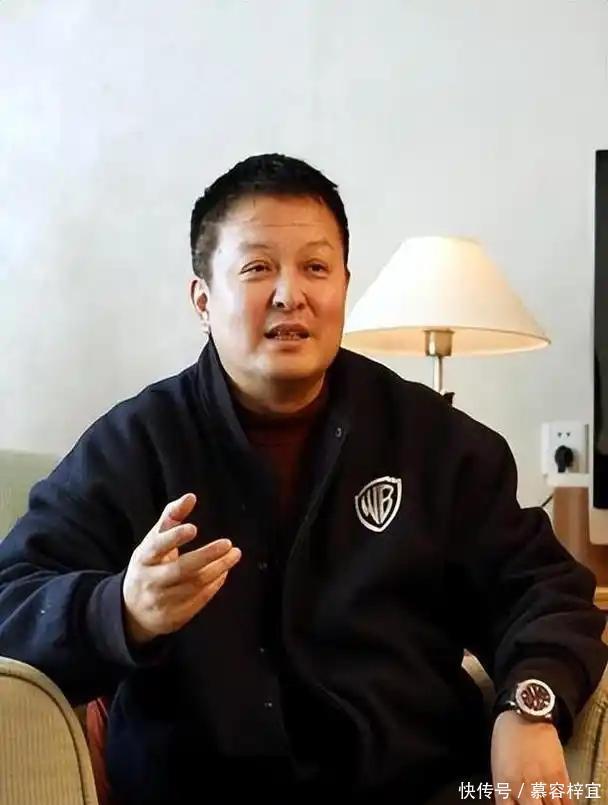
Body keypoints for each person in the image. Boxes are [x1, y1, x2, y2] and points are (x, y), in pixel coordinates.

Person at [0, 153, 606, 805]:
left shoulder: (435, 442)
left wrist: (530, 705)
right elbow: (12, 599)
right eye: (258, 268)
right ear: (203, 300)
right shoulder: (136, 445)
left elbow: (544, 592)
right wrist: (121, 609)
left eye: (316, 267)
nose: (290, 294)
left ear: (344, 285)